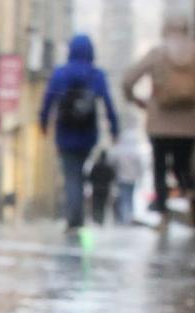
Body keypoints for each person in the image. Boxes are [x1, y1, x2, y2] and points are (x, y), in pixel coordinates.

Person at [122, 14, 195, 224]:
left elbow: (129, 78)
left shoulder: (158, 53)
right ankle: (191, 199)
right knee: (182, 165)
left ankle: (163, 215)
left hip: (160, 120)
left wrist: (136, 100)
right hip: (189, 122)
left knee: (159, 165)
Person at [40, 34, 120, 231]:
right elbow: (108, 104)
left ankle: (74, 217)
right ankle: (78, 215)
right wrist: (114, 128)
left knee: (71, 174)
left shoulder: (61, 73)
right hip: (88, 133)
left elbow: (48, 100)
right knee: (79, 171)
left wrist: (43, 122)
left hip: (65, 132)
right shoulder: (96, 75)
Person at [110, 128, 150, 225]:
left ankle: (126, 216)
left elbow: (112, 162)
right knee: (129, 196)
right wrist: (140, 176)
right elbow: (141, 165)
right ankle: (128, 216)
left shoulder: (119, 150)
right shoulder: (136, 151)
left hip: (122, 177)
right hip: (131, 178)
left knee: (124, 196)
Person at [88, 149, 115, 225]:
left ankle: (97, 218)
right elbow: (112, 177)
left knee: (96, 203)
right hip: (105, 188)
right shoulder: (109, 166)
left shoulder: (96, 166)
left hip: (96, 187)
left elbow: (90, 176)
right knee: (103, 204)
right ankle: (101, 219)